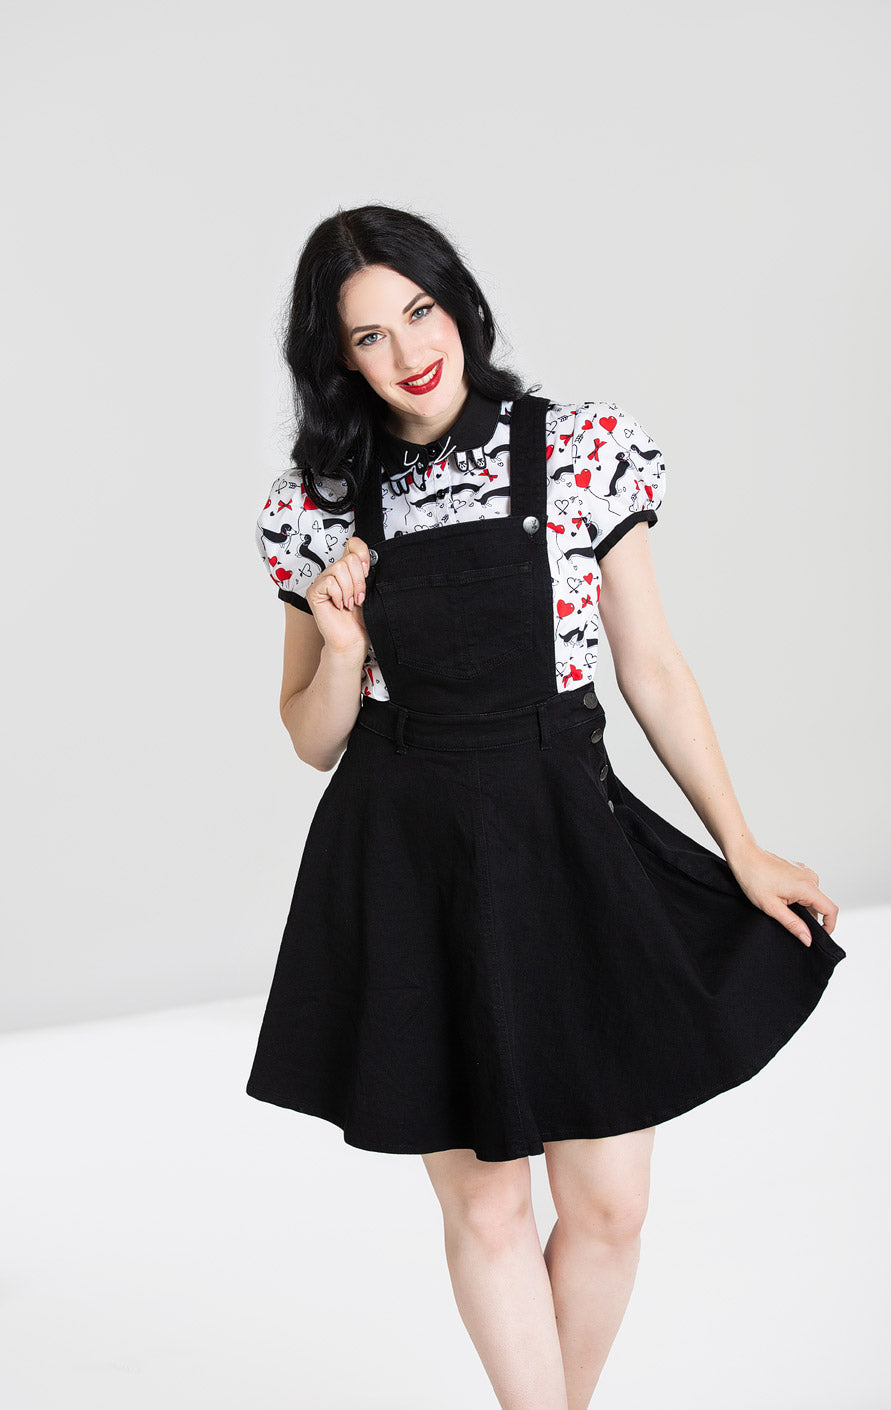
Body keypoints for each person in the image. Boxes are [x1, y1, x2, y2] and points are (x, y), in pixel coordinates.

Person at [246, 203, 845, 1410]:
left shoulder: (580, 448)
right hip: (407, 852)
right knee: (486, 1205)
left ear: (458, 302)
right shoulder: (316, 502)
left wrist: (739, 847)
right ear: (338, 360)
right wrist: (342, 640)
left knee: (609, 1203)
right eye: (369, 336)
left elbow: (652, 669)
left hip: (567, 837)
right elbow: (310, 738)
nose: (410, 350)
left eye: (420, 310)